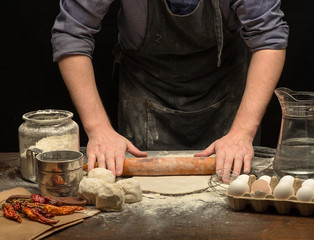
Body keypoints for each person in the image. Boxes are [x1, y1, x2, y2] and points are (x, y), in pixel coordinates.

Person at [51, 0, 289, 182]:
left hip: (226, 94)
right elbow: (72, 33)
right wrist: (98, 129)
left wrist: (242, 133)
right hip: (145, 95)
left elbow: (269, 39)